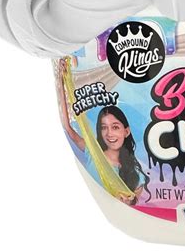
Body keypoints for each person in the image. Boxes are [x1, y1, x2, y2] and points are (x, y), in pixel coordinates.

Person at [58, 59, 149, 205]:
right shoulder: (93, 152)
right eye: (104, 127)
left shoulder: (136, 175)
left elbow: (132, 207)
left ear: (126, 132)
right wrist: (62, 80)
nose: (109, 133)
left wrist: (123, 201)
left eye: (115, 127)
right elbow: (67, 126)